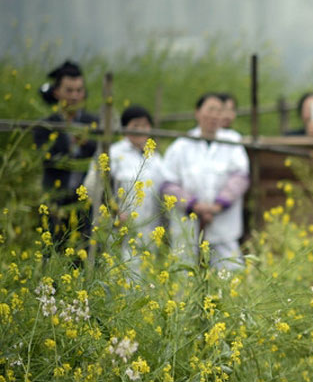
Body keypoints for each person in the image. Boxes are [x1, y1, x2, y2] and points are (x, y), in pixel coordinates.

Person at [160, 93, 249, 270]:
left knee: (231, 276)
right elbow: (168, 184)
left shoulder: (232, 141)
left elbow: (240, 177)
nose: (214, 115)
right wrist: (195, 206)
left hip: (223, 225)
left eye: (219, 111)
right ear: (197, 113)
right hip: (188, 226)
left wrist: (217, 206)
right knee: (183, 279)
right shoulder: (181, 146)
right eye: (210, 110)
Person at [33, 60, 98, 249]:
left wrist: (86, 143)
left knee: (84, 253)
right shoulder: (45, 125)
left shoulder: (94, 123)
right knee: (51, 252)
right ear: (57, 92)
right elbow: (44, 158)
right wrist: (69, 146)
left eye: (79, 91)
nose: (75, 96)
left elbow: (104, 157)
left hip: (85, 203)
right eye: (69, 91)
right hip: (54, 200)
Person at [99, 106, 165, 267]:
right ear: (124, 128)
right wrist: (114, 211)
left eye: (145, 125)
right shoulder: (113, 153)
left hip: (149, 227)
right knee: (117, 268)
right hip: (119, 224)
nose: (141, 130)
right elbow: (98, 187)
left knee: (145, 270)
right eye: (135, 126)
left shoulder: (156, 158)